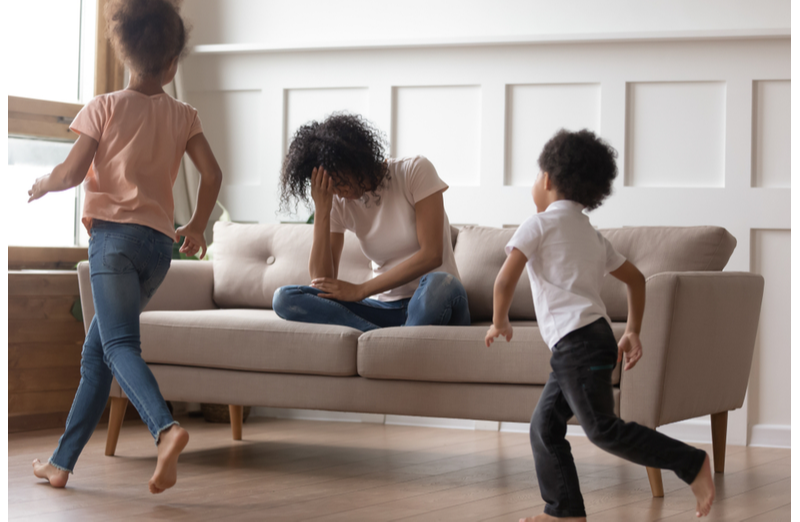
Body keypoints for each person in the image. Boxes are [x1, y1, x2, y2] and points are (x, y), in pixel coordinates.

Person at [29, 0, 223, 494]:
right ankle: (60, 463)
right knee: (98, 355)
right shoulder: (185, 114)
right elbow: (213, 174)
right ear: (174, 59)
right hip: (159, 250)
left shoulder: (104, 105)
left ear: (124, 51)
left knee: (117, 346)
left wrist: (43, 184)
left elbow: (72, 173)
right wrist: (197, 225)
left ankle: (166, 429)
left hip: (113, 243)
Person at [484, 129, 715, 520]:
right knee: (544, 428)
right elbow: (636, 279)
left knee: (602, 429)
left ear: (546, 179)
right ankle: (565, 512)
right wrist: (632, 330)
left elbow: (504, 279)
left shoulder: (536, 225)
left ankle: (691, 462)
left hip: (577, 346)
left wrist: (499, 320)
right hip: (588, 343)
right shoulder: (590, 234)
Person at [272, 113, 470, 331]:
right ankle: (387, 339)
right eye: (331, 187)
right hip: (384, 310)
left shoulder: (415, 171)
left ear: (355, 161)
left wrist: (361, 290)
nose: (339, 192)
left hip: (436, 299)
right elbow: (322, 281)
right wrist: (322, 211)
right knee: (285, 298)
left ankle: (389, 341)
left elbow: (432, 255)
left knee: (439, 284)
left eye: (340, 182)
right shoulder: (338, 202)